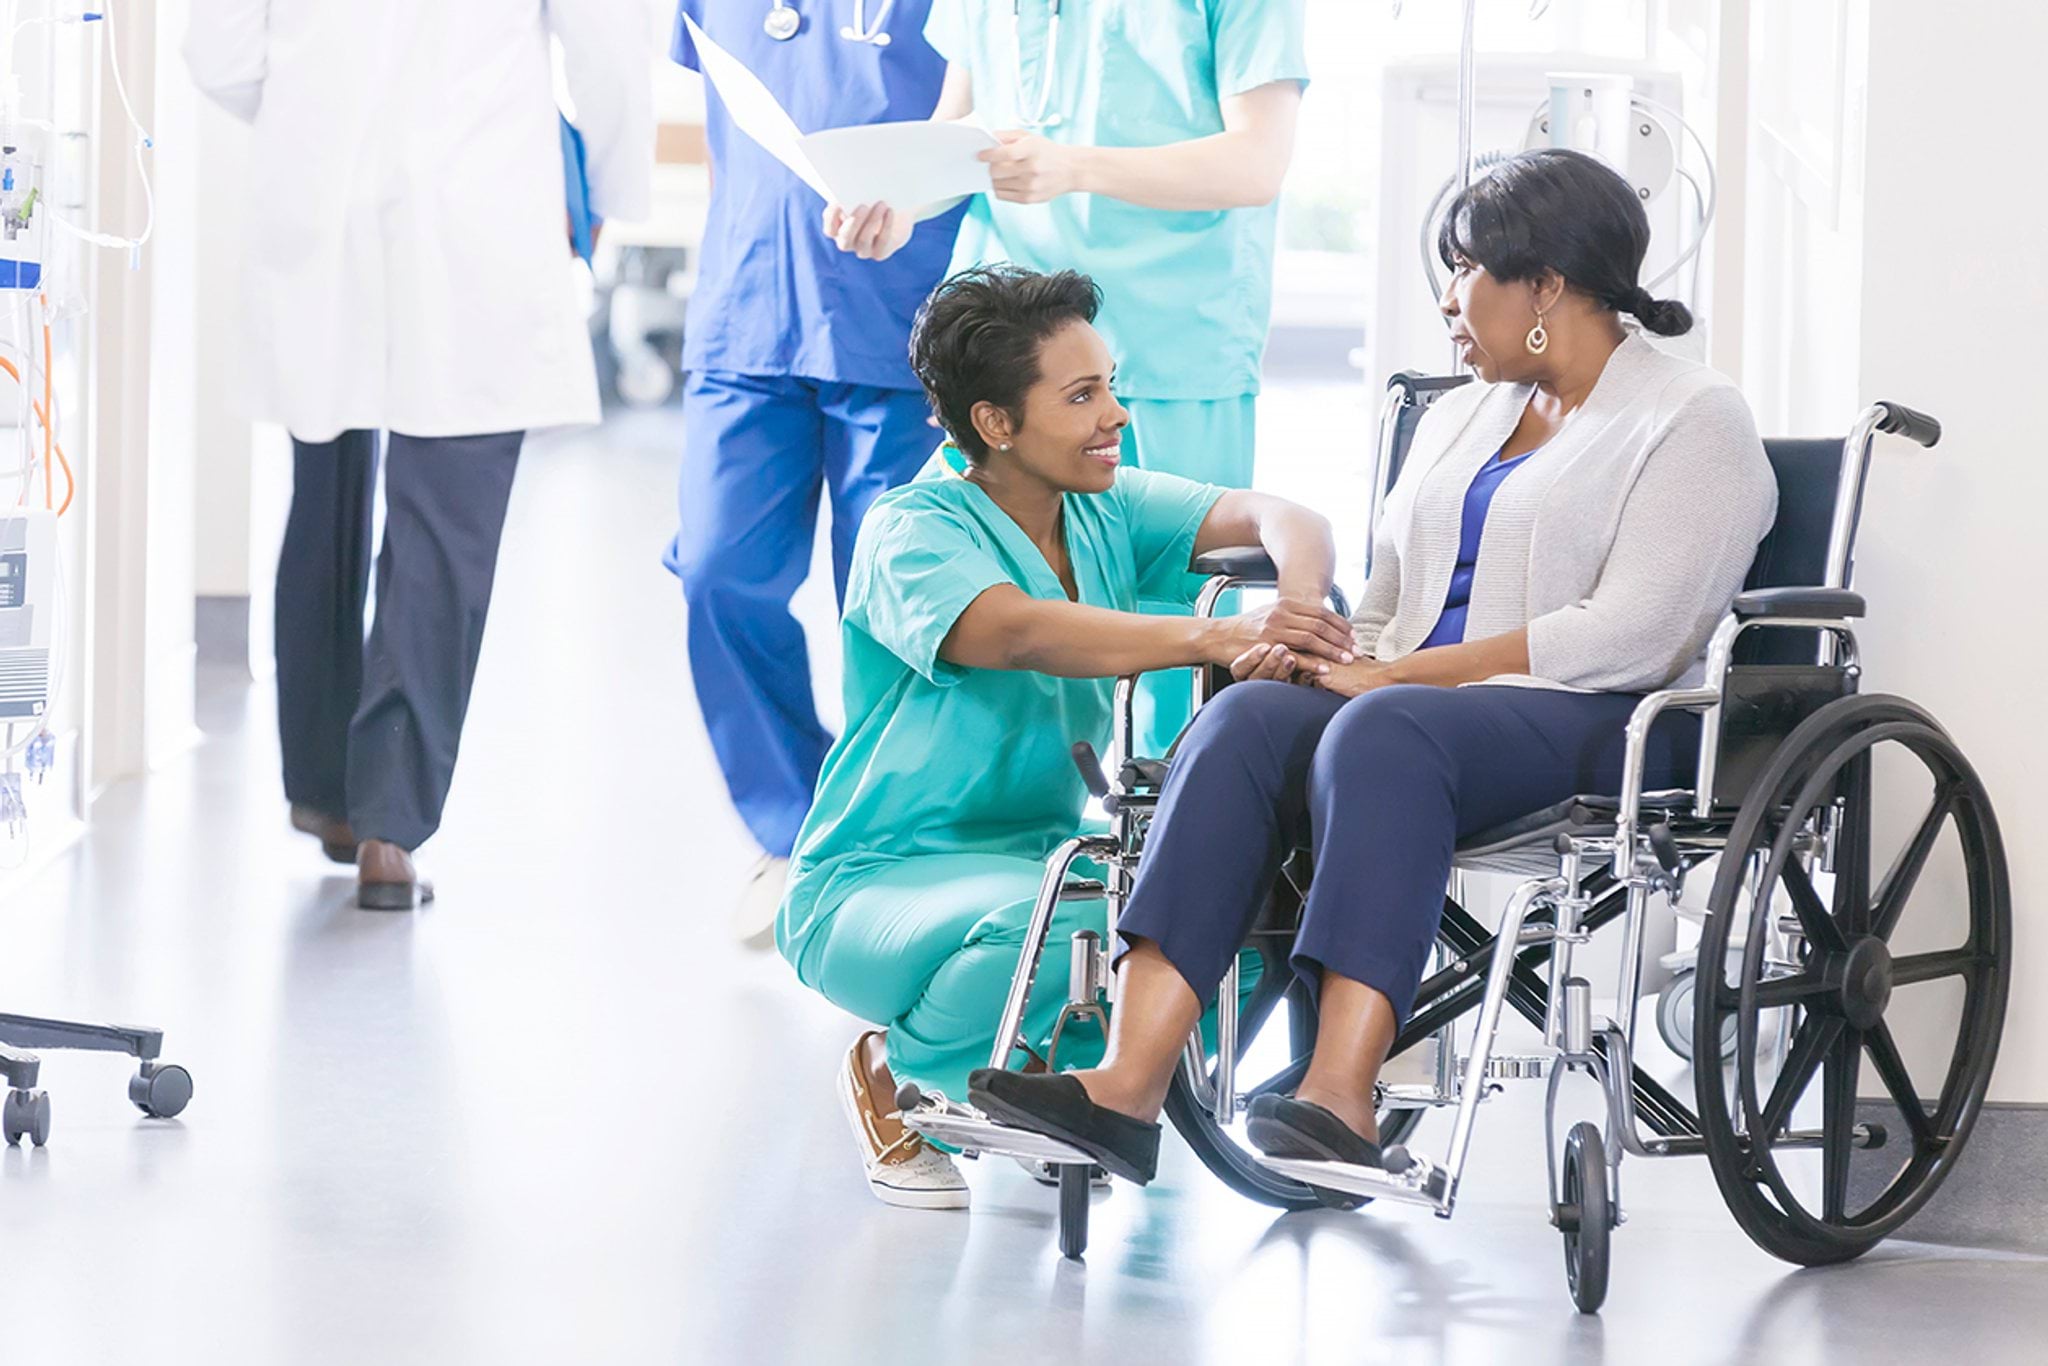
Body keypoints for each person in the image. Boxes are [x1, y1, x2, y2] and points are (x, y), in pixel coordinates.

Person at [965, 150, 1779, 1188]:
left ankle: (1341, 1093)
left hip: (1603, 716)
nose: (1445, 298)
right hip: (1415, 716)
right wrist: (1324, 660)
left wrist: (1396, 681)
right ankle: (1125, 1085)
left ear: (1545, 286)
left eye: (1464, 270)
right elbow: (1389, 604)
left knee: (1383, 729)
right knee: (1246, 717)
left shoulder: (1692, 416)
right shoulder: (1462, 414)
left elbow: (1637, 631)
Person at [780, 265, 1356, 1208]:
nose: (1117, 415)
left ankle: (1043, 1082)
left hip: (1041, 856)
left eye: (1111, 386)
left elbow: (1284, 517)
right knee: (1073, 922)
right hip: (877, 877)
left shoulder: (1103, 504)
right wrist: (1214, 637)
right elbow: (1015, 631)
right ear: (996, 422)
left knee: (1243, 941)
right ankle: (897, 1073)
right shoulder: (909, 529)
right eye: (1083, 395)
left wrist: (1294, 614)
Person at [184, 1, 652, 909]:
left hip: (322, 205)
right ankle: (389, 828)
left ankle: (324, 791)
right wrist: (609, 193)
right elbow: (609, 53)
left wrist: (323, 108)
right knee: (447, 520)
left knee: (324, 493)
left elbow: (220, 55)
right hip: (475, 201)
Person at [824, 0, 1309, 758]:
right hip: (1008, 346)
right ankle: (1014, 813)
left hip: (1175, 337)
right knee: (985, 615)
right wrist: (900, 203)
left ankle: (1175, 824)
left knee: (1182, 637)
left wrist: (1076, 166)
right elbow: (963, 130)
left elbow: (1257, 161)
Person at [662, 2, 971, 944]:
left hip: (898, 324)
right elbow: (722, 130)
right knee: (716, 570)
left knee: (890, 605)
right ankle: (791, 831)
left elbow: (971, 127)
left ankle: (886, 843)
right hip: (747, 311)